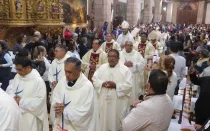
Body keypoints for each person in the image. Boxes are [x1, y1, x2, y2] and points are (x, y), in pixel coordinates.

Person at [92, 49, 132, 131]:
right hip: (103, 100)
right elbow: (94, 79)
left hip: (117, 102)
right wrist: (102, 83)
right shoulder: (102, 68)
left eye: (114, 56)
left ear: (118, 58)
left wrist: (116, 86)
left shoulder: (125, 70)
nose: (111, 58)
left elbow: (129, 86)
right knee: (103, 121)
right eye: (109, 56)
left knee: (115, 122)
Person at [52, 57, 96, 131]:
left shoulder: (87, 86)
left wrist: (65, 111)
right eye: (65, 71)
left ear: (79, 71)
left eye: (70, 72)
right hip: (61, 124)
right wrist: (57, 105)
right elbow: (55, 96)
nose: (67, 75)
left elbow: (86, 111)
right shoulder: (62, 81)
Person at [7, 56, 49, 131]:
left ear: (28, 67)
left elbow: (39, 102)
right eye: (16, 69)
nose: (17, 72)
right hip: (16, 114)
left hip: (30, 117)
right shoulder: (18, 76)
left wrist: (20, 102)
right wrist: (13, 97)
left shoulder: (38, 81)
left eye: (19, 69)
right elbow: (11, 89)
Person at [48, 44, 70, 124]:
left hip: (65, 88)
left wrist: (60, 83)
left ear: (63, 51)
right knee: (55, 102)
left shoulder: (69, 61)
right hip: (55, 87)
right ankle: (54, 123)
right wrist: (52, 81)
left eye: (56, 51)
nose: (54, 52)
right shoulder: (54, 61)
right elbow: (50, 73)